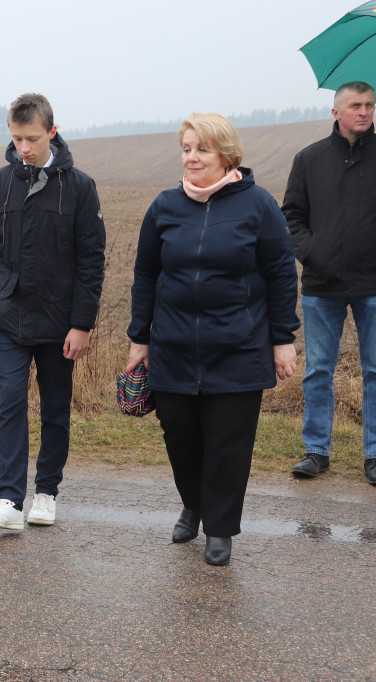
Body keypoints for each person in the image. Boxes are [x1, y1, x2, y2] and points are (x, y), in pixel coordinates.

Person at [126, 113, 299, 566]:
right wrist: (139, 338)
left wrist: (283, 339)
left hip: (238, 348)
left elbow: (282, 276)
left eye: (201, 149)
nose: (191, 157)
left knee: (228, 441)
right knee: (180, 434)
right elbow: (145, 275)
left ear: (226, 155)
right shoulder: (165, 207)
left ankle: (219, 528)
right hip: (173, 348)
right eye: (186, 148)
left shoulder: (258, 205)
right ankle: (193, 504)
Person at [0, 93, 106, 530]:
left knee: (54, 408)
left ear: (51, 131)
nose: (23, 147)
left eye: (31, 138)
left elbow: (91, 261)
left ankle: (46, 493)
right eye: (16, 138)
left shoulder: (80, 187)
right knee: (10, 402)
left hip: (59, 320)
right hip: (8, 314)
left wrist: (81, 324)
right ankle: (8, 500)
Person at [282, 81, 376, 486]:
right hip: (322, 285)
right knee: (319, 369)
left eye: (370, 105)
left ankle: (374, 455)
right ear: (336, 112)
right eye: (356, 105)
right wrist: (313, 252)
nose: (365, 112)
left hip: (373, 283)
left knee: (375, 369)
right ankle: (316, 451)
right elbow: (292, 217)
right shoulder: (309, 159)